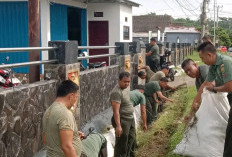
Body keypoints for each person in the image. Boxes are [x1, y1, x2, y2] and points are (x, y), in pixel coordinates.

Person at [192, 42, 232, 157]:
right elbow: (206, 83)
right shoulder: (214, 66)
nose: (202, 61)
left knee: (230, 132)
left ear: (209, 55)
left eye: (202, 58)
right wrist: (196, 101)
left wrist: (214, 89)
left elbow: (230, 87)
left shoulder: (225, 63)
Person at [42, 80, 82, 157]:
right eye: (76, 97)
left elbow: (45, 139)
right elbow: (67, 147)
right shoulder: (65, 113)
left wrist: (74, 135)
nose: (75, 102)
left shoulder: (48, 111)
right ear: (71, 96)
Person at [110, 71, 136, 157]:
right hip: (122, 120)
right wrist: (118, 125)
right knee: (122, 143)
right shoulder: (116, 92)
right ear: (119, 80)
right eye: (125, 81)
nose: (127, 83)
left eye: (128, 81)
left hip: (130, 118)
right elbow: (116, 111)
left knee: (131, 139)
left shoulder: (126, 88)